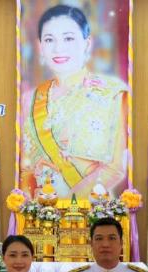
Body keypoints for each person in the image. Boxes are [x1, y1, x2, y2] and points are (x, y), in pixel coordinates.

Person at [20, 4, 129, 199]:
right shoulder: (29, 100)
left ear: (87, 43)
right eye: (49, 39)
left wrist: (67, 205)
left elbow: (114, 168)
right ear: (40, 47)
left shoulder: (110, 94)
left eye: (68, 38)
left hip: (91, 212)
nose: (58, 48)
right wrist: (33, 208)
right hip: (39, 212)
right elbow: (25, 167)